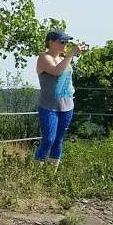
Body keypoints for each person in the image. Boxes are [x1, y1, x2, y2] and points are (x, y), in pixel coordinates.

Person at [35, 29, 85, 166]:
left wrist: (71, 91)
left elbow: (67, 78)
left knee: (59, 140)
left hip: (67, 106)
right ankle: (35, 172)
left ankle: (52, 175)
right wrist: (71, 54)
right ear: (51, 42)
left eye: (67, 42)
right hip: (48, 107)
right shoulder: (44, 58)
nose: (65, 44)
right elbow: (56, 71)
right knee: (49, 139)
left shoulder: (63, 59)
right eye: (62, 41)